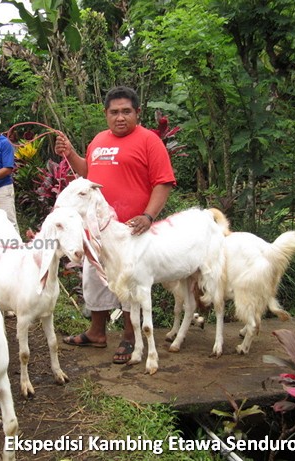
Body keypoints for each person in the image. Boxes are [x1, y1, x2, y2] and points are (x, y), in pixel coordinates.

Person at [54, 86, 176, 364]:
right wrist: (70, 153)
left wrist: (148, 216)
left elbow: (163, 181)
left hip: (132, 230)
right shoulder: (98, 140)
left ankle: (130, 338)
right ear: (106, 114)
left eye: (126, 111)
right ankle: (97, 333)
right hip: (98, 231)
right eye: (114, 112)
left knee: (129, 283)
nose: (120, 117)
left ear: (137, 113)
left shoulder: (149, 141)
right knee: (93, 279)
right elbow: (88, 173)